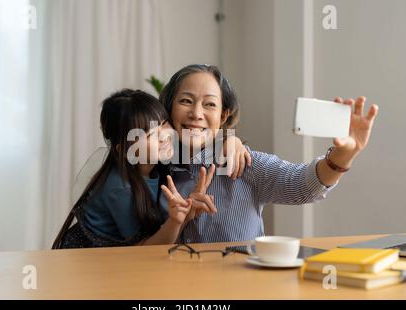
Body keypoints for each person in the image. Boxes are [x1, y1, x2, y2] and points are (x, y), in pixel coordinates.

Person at [159, 64, 379, 243]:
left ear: (224, 116)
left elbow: (302, 185)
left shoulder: (245, 164)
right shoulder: (152, 168)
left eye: (210, 104)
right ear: (169, 107)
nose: (196, 113)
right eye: (186, 101)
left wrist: (344, 155)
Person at [51, 89, 244, 249]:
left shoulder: (161, 161)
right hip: (90, 262)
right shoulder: (120, 187)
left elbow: (206, 143)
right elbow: (145, 250)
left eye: (162, 124)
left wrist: (232, 141)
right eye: (150, 133)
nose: (163, 136)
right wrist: (177, 220)